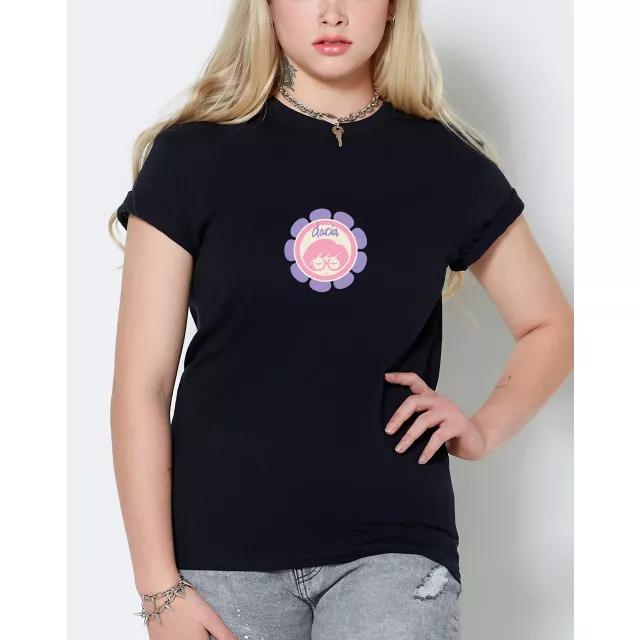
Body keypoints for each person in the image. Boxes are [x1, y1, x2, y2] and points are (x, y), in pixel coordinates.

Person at [108, 1, 574, 639]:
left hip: (393, 545)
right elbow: (142, 387)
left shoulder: (445, 163)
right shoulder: (190, 157)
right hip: (220, 555)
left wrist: (482, 430)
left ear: (392, 8)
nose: (332, 13)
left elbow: (550, 326)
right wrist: (158, 589)